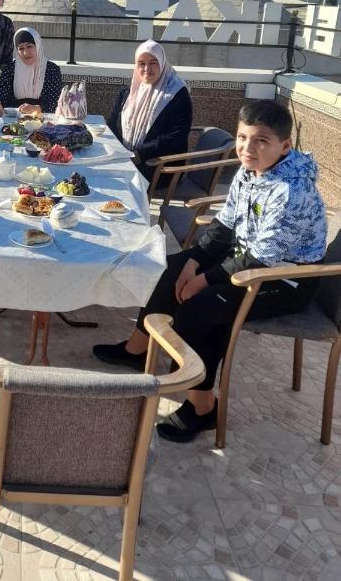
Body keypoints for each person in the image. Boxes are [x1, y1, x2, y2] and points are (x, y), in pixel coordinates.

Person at [93, 100, 327, 442]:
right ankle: (137, 349)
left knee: (203, 306)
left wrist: (205, 278)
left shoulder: (291, 191)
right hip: (247, 259)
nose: (248, 148)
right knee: (168, 269)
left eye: (261, 140)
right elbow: (224, 225)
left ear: (284, 146)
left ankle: (203, 408)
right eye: (243, 137)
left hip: (285, 278)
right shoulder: (251, 171)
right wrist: (193, 261)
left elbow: (262, 259)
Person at [107, 40, 192, 181]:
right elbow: (113, 124)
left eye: (153, 63)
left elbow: (176, 136)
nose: (147, 69)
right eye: (141, 63)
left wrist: (139, 154)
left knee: (112, 180)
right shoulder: (128, 93)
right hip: (128, 159)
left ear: (162, 63)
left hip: (159, 166)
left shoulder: (177, 93)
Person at [0, 27, 63, 115]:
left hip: (44, 119)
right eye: (21, 48)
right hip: (13, 120)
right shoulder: (10, 69)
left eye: (29, 46)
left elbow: (55, 101)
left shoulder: (52, 70)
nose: (25, 52)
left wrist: (36, 108)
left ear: (38, 45)